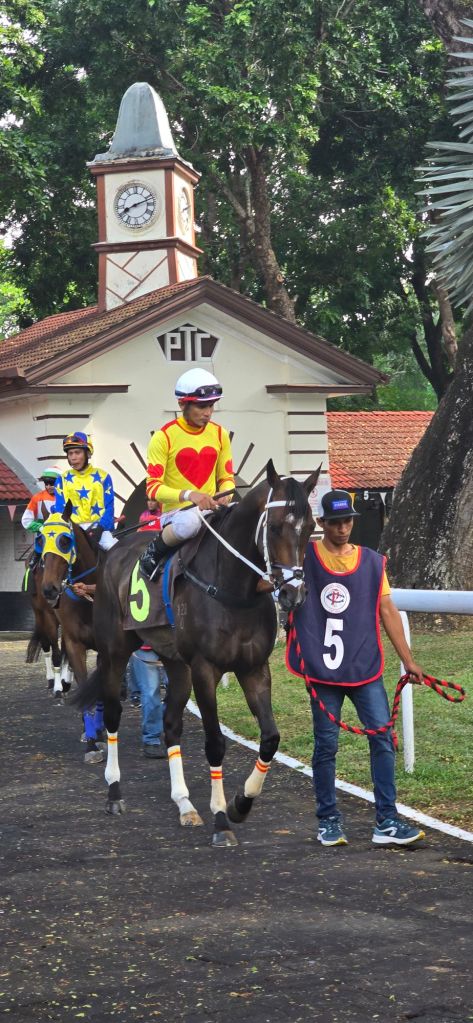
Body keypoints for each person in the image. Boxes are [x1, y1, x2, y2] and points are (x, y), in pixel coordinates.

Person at [286, 489, 426, 848]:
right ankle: (328, 820)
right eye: (335, 522)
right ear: (321, 523)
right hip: (323, 670)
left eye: (347, 520)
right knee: (326, 745)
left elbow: (387, 610)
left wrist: (408, 660)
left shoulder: (372, 562)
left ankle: (387, 820)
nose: (342, 528)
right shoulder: (303, 557)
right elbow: (272, 584)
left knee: (382, 739)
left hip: (364, 667)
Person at [140, 368, 235, 578]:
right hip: (177, 515)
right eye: (201, 406)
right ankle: (152, 551)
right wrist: (190, 495)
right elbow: (153, 488)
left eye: (211, 405)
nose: (208, 412)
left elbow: (227, 478)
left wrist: (225, 495)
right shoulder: (163, 437)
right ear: (182, 404)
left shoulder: (221, 434)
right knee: (189, 524)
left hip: (212, 509)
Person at [53, 432, 117, 551]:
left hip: (100, 529)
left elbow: (109, 508)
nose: (73, 457)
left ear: (87, 453)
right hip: (71, 530)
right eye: (70, 453)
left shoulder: (104, 477)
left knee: (116, 551)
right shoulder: (61, 480)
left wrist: (100, 528)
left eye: (77, 452)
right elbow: (59, 509)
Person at [128, 645, 167, 757]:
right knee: (151, 691)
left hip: (175, 644)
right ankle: (151, 738)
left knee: (177, 689)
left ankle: (169, 725)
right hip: (146, 643)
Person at [21, 468, 59, 569]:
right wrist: (40, 527)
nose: (48, 487)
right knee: (32, 567)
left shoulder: (67, 497)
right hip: (44, 538)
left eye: (51, 484)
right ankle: (33, 563)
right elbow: (26, 520)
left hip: (63, 535)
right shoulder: (37, 498)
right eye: (46, 484)